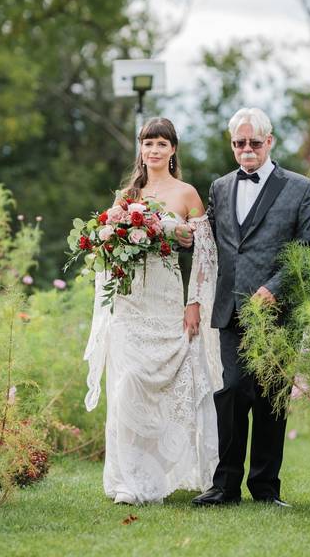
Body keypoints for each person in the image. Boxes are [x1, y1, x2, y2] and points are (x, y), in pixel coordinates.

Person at [83, 117, 222, 505]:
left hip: (165, 299)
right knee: (127, 384)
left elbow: (205, 257)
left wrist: (193, 303)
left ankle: (163, 471)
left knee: (168, 388)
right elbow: (107, 248)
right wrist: (109, 239)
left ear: (173, 149)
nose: (154, 150)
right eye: (148, 143)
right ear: (140, 150)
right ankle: (129, 481)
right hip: (129, 301)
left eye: (162, 143)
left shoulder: (187, 194)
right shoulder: (127, 195)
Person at [191, 107, 310, 507]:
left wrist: (276, 288)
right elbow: (209, 237)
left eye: (254, 143)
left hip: (277, 312)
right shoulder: (220, 186)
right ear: (232, 145)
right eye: (239, 143)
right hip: (230, 308)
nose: (247, 150)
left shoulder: (301, 188)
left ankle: (264, 488)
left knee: (271, 397)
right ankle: (224, 485)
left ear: (270, 142)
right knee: (231, 392)